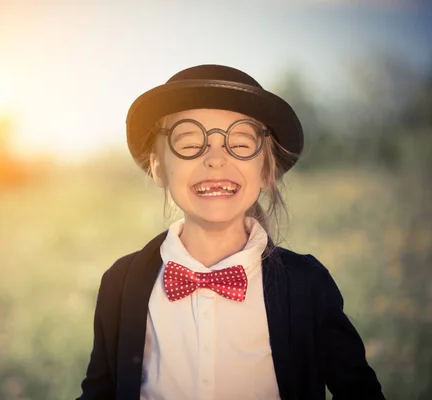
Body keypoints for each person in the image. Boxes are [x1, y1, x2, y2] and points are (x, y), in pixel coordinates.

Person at [77, 64, 385, 400]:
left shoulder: (307, 284)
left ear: (267, 169)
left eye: (239, 143)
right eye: (189, 142)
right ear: (158, 167)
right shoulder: (121, 284)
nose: (215, 159)